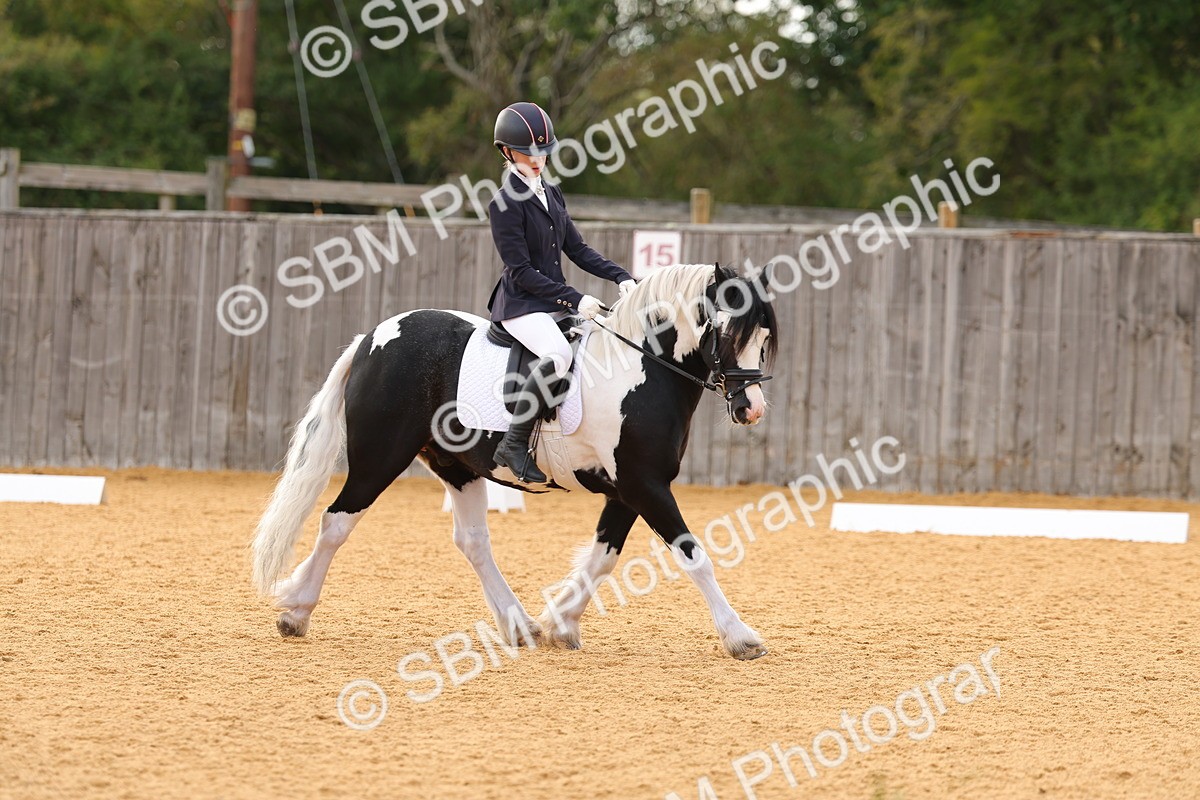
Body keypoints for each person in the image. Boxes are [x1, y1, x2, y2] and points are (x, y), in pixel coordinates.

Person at [486, 101, 636, 483]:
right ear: (507, 152)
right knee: (557, 352)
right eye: (527, 153)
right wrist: (575, 298)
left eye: (543, 152)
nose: (537, 160)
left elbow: (578, 249)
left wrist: (622, 277)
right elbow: (520, 272)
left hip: (551, 301)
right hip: (521, 305)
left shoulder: (551, 193)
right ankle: (514, 444)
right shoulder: (504, 204)